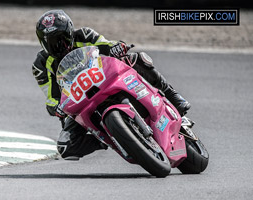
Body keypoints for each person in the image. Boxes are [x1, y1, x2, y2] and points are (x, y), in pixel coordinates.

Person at [32, 10, 190, 160]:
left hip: (105, 79)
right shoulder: (40, 65)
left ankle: (172, 95)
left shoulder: (85, 35)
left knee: (136, 58)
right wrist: (55, 107)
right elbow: (51, 97)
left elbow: (107, 45)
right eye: (52, 43)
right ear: (43, 43)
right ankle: (110, 139)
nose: (59, 45)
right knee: (65, 146)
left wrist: (117, 47)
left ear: (70, 33)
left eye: (62, 39)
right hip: (79, 102)